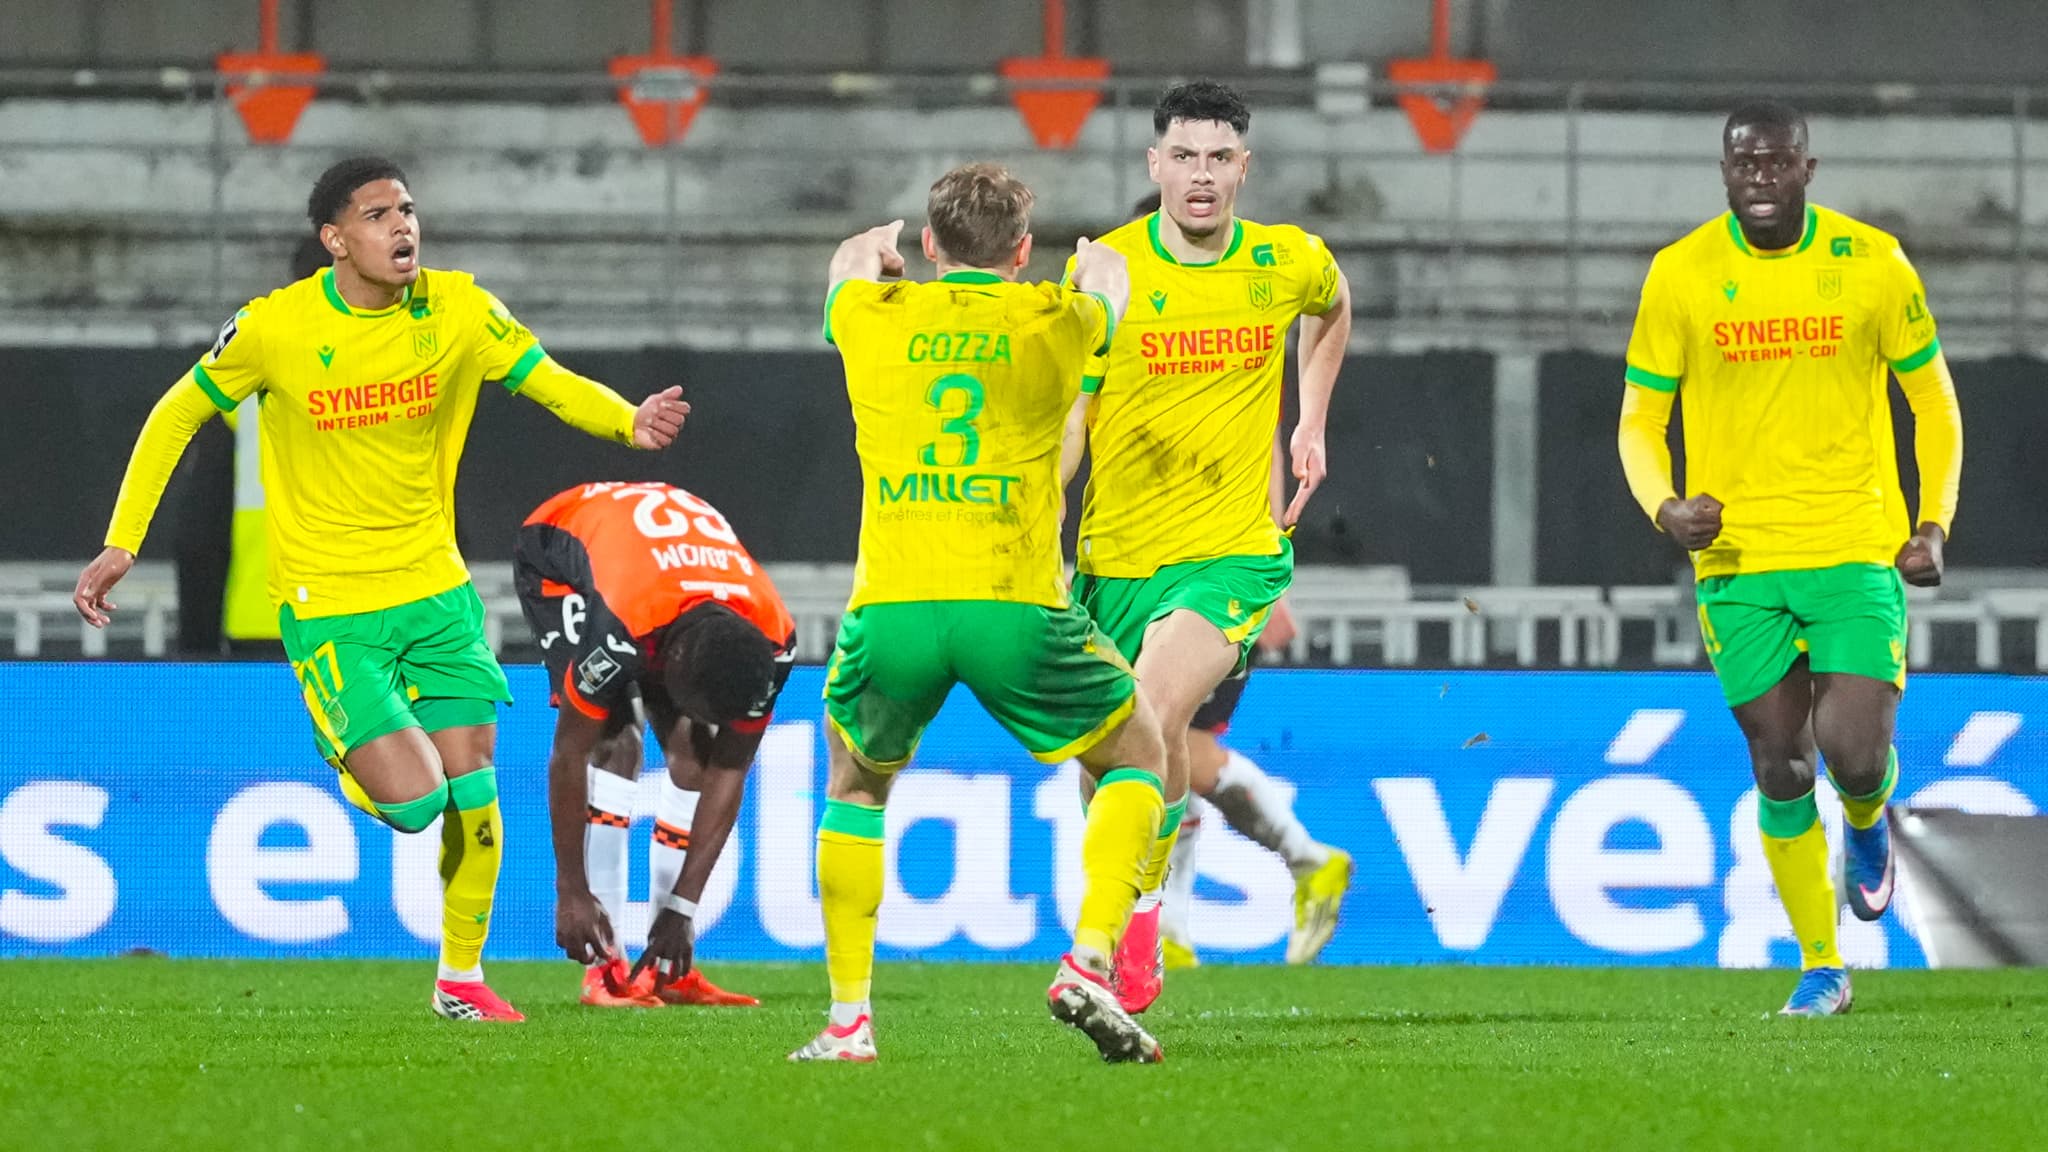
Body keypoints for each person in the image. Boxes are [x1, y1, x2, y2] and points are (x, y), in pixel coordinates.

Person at [75, 156, 692, 1022]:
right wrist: (122, 541)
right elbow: (177, 412)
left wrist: (627, 420)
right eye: (377, 215)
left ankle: (460, 979)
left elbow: (546, 380)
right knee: (418, 803)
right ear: (335, 240)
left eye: (407, 209)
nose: (402, 226)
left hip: (436, 592)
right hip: (331, 605)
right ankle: (347, 754)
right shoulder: (274, 328)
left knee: (475, 783)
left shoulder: (459, 308)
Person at [791, 163, 1166, 1064]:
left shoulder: (872, 315)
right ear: (1022, 251)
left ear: (930, 244)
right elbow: (1115, 286)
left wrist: (874, 251)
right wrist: (1089, 269)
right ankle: (1091, 958)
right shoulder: (1057, 319)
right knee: (1140, 755)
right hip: (1013, 601)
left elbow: (846, 265)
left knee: (855, 786)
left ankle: (848, 1023)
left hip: (895, 604)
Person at [1617, 101, 1963, 1016]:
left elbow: (1933, 402)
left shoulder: (1874, 263)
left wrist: (1933, 522)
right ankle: (1822, 965)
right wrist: (1665, 506)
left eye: (1777, 162)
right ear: (1724, 173)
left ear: (1809, 169)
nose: (1760, 177)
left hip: (1854, 545)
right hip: (1739, 562)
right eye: (1744, 163)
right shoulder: (1682, 273)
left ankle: (1869, 818)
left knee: (1853, 755)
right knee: (1781, 766)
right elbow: (1641, 418)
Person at [1059, 80, 1352, 1011]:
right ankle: (1149, 907)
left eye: (1219, 158)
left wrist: (1311, 420)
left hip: (1229, 554)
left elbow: (1333, 303)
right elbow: (1073, 410)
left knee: (1151, 714)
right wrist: (1037, 509)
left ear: (1242, 168)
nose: (1201, 175)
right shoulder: (1105, 269)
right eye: (1183, 156)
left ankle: (1122, 938)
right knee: (1110, 759)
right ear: (1155, 164)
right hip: (1114, 558)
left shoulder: (1284, 259)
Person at [515, 481, 793, 1009]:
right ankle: (605, 968)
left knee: (697, 757)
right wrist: (571, 890)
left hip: (664, 576)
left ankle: (666, 970)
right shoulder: (620, 626)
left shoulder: (774, 639)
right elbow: (569, 755)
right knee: (615, 744)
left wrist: (683, 908)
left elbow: (730, 770)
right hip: (561, 551)